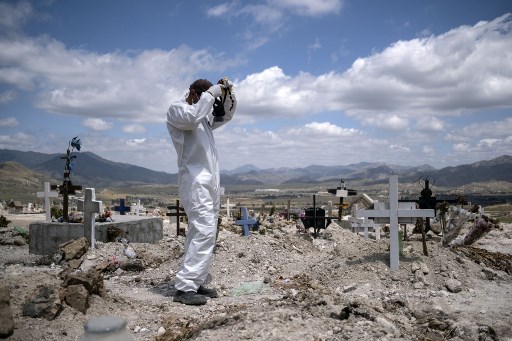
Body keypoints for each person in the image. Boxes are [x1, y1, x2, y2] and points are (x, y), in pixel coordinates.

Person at [165, 78, 237, 305]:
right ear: (194, 94)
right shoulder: (178, 110)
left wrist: (226, 95)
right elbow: (192, 117)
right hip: (194, 181)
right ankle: (184, 287)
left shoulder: (201, 115)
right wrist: (210, 94)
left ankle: (195, 281)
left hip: (209, 182)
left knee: (202, 232)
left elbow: (224, 116)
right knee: (204, 230)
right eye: (205, 97)